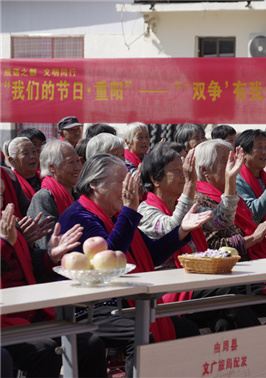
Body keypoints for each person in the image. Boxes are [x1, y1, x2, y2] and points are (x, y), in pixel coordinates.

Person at [58, 153, 207, 375]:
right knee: (140, 334)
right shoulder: (80, 215)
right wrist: (129, 212)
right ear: (95, 185)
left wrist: (182, 230)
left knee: (187, 329)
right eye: (121, 181)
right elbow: (108, 259)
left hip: (121, 301)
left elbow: (152, 254)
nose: (129, 188)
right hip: (90, 307)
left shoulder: (116, 214)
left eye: (130, 180)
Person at [138, 143, 261, 331]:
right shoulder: (146, 211)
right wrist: (189, 186)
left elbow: (222, 220)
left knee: (224, 323)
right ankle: (261, 345)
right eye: (177, 171)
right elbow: (172, 229)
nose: (184, 175)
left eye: (184, 170)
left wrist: (230, 180)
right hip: (169, 287)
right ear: (155, 179)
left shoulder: (184, 203)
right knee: (227, 292)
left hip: (196, 281)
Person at [1, 188, 107, 377]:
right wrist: (4, 244)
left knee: (90, 344)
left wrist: (51, 257)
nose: (2, 196)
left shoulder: (7, 225)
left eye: (2, 191)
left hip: (33, 316)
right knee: (45, 351)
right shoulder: (7, 232)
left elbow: (30, 269)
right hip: (5, 323)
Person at [195, 139, 266, 259]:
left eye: (233, 159)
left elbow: (253, 228)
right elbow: (211, 248)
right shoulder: (199, 201)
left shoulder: (235, 196)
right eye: (226, 161)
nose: (234, 165)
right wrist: (254, 238)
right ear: (205, 170)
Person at [27, 141, 82, 249]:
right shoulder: (44, 198)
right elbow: (47, 244)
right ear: (52, 167)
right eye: (71, 162)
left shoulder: (77, 194)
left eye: (77, 161)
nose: (77, 167)